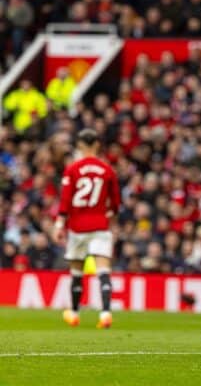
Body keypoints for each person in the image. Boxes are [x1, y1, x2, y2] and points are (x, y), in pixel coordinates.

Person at [52, 129, 121, 329]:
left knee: (76, 272)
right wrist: (110, 218)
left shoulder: (72, 169)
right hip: (100, 224)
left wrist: (59, 225)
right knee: (104, 272)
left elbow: (65, 202)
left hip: (78, 227)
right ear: (97, 145)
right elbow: (116, 203)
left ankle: (74, 313)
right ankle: (106, 313)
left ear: (80, 146)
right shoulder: (107, 170)